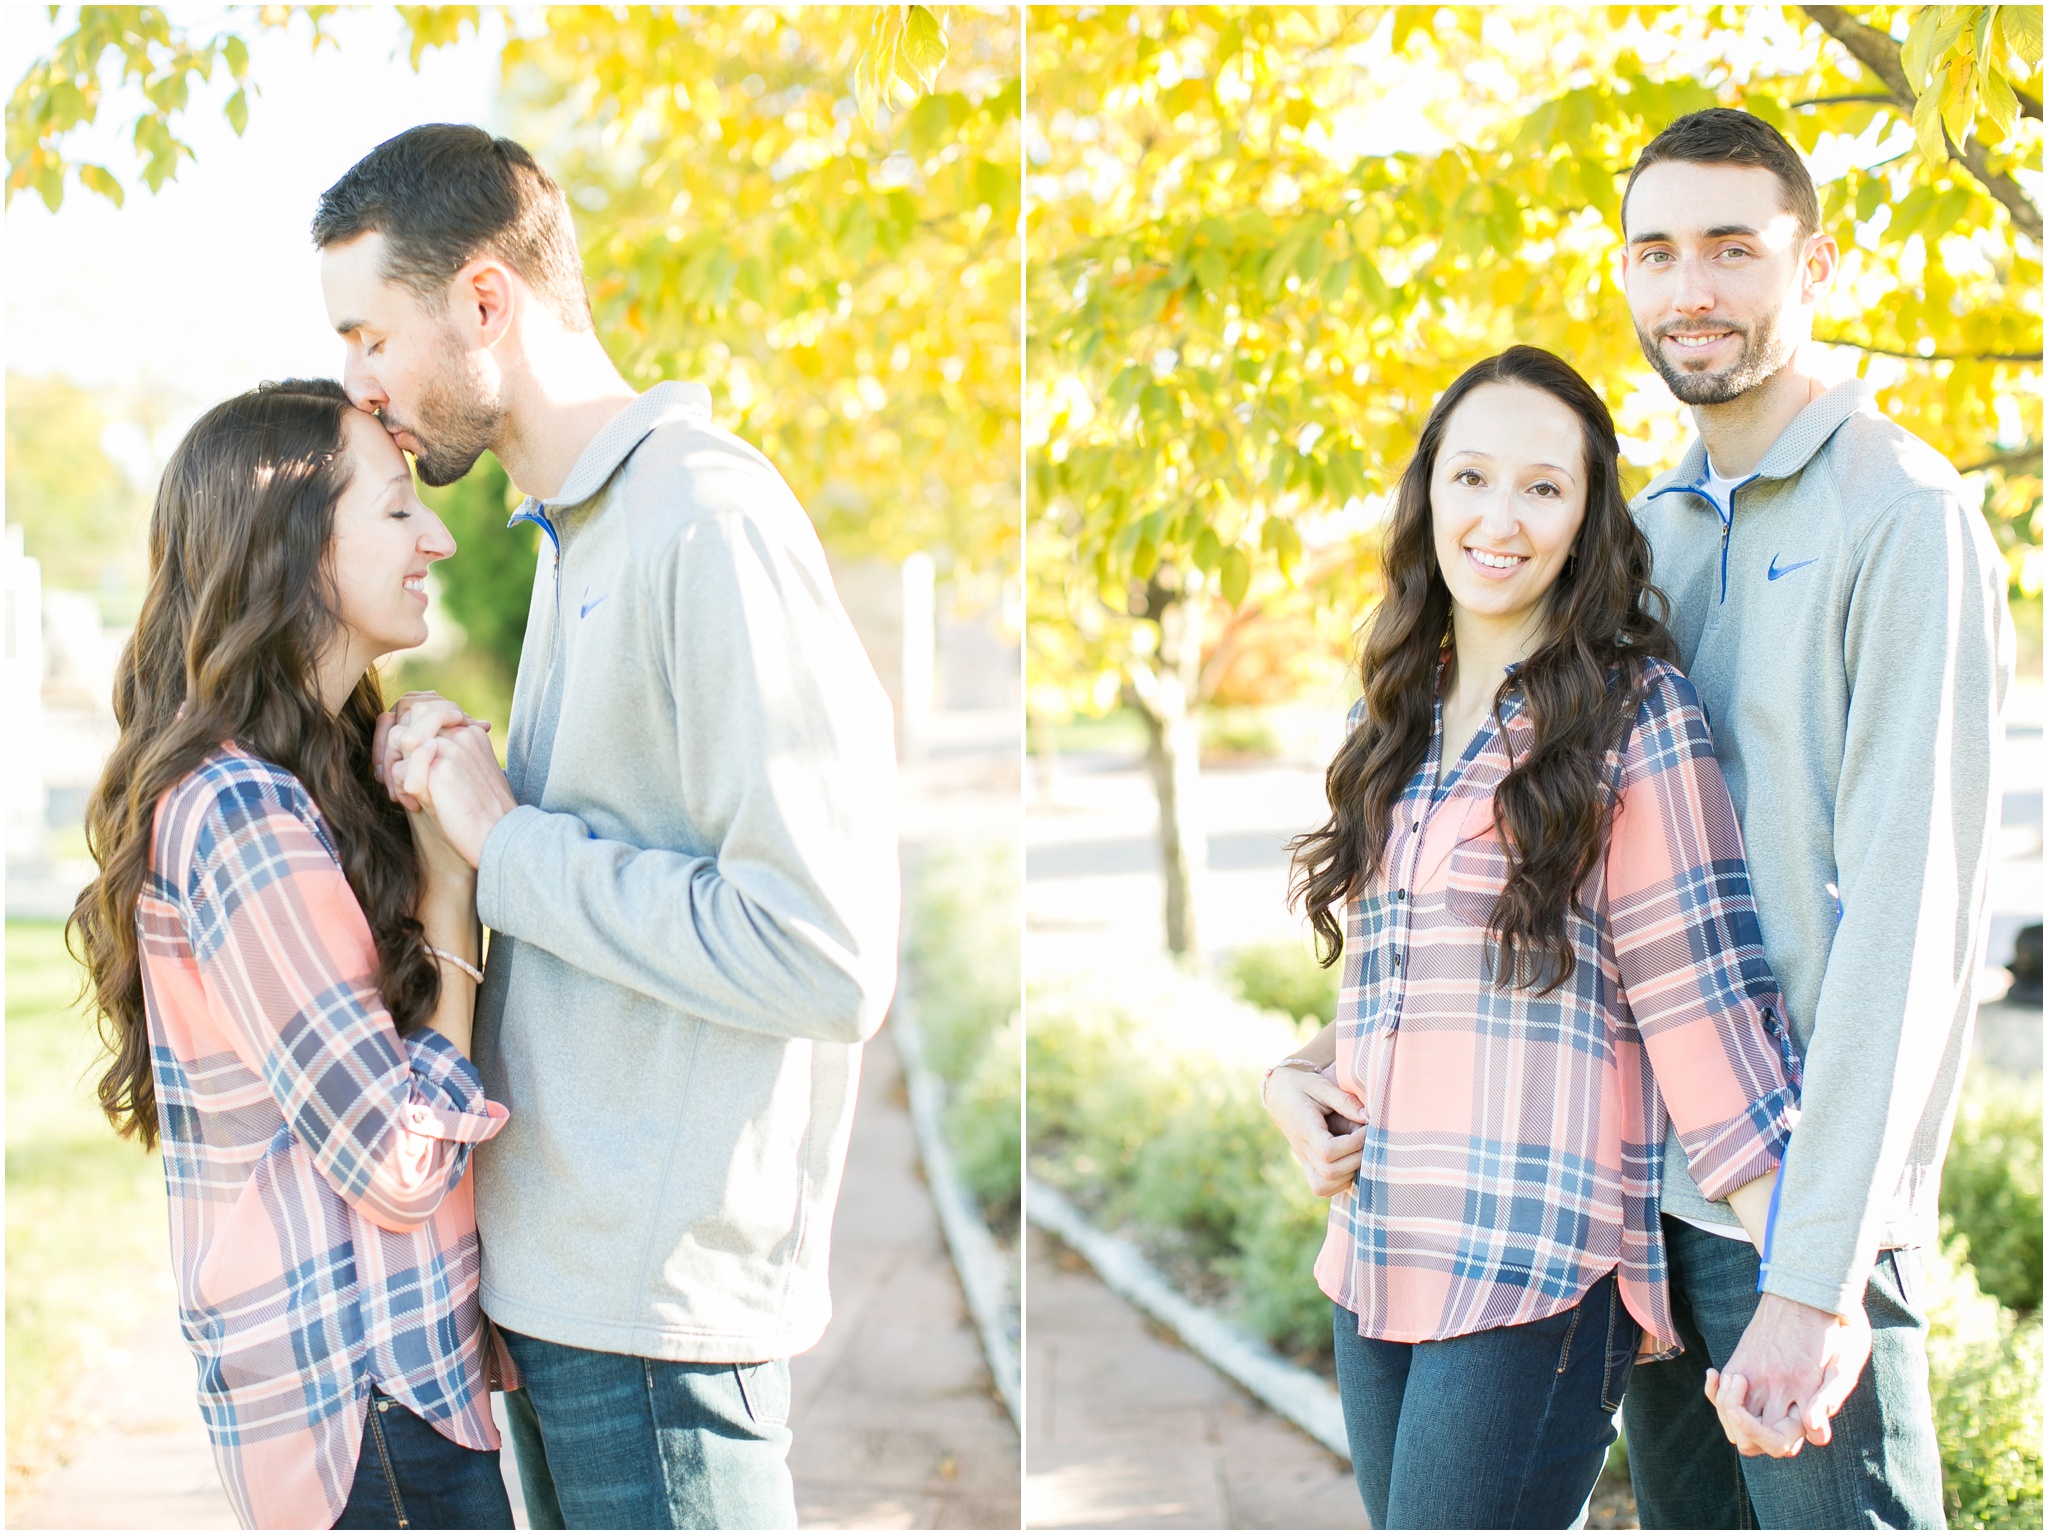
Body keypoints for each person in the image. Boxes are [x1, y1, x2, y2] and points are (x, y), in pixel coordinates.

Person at [311, 125, 900, 1529]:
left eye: (369, 333)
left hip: (659, 1329)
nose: (359, 384)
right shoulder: (592, 530)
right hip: (574, 1303)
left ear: (484, 304)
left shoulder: (709, 518)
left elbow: (825, 951)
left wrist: (506, 844)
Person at [1268, 345, 1804, 1530]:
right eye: (1470, 477)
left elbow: (1700, 1007)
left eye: (1541, 487)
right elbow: (1397, 984)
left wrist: (1805, 1284)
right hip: (1378, 1247)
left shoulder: (1628, 711)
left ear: (1584, 518)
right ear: (1428, 494)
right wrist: (1290, 1077)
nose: (1498, 518)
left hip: (1536, 1265)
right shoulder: (1391, 708)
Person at [1613, 108, 2012, 1528]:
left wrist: (1817, 1269)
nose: (1692, 289)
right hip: (1652, 1208)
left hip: (1800, 1213)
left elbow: (1910, 925)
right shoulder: (1636, 528)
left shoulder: (1903, 515)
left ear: (1818, 267)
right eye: (1657, 251)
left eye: (1734, 248)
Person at [71, 380, 516, 1530]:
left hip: (389, 1399)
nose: (440, 534)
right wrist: (453, 896)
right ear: (294, 545)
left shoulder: (308, 782)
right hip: (363, 1413)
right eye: (395, 509)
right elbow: (395, 1159)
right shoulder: (237, 813)